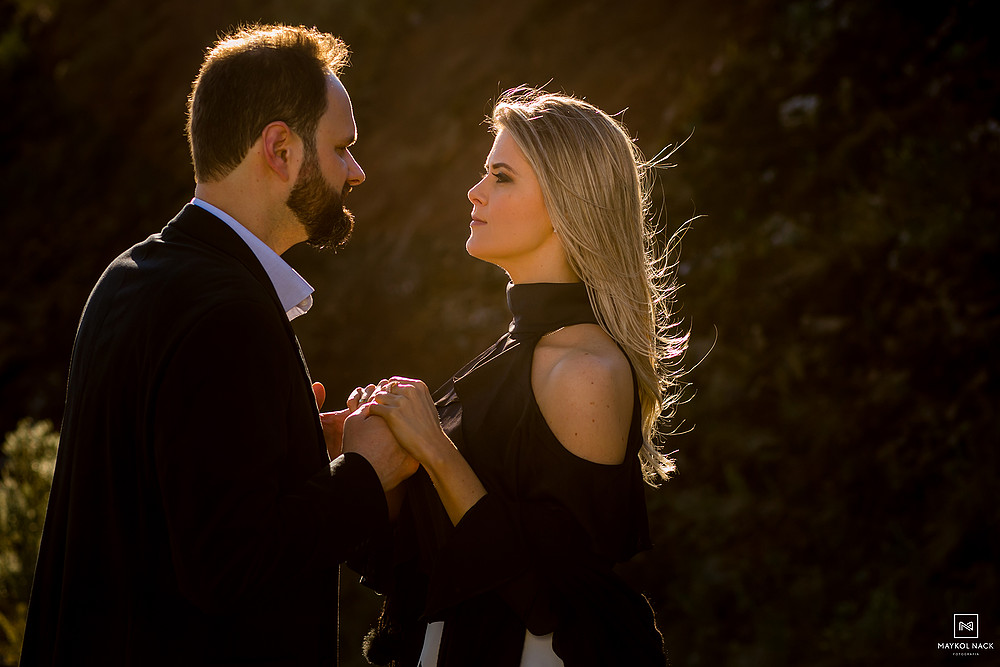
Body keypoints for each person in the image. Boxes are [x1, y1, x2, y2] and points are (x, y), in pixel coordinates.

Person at [19, 24, 416, 666]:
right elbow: (230, 565)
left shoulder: (128, 278)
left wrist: (295, 454)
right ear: (280, 149)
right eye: (342, 148)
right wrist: (366, 473)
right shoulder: (227, 313)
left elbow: (168, 503)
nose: (357, 171)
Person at [348, 88, 686, 666]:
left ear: (567, 202)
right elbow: (441, 550)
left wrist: (434, 448)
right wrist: (372, 450)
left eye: (501, 176)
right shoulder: (514, 351)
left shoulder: (585, 369)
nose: (475, 191)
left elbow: (549, 597)